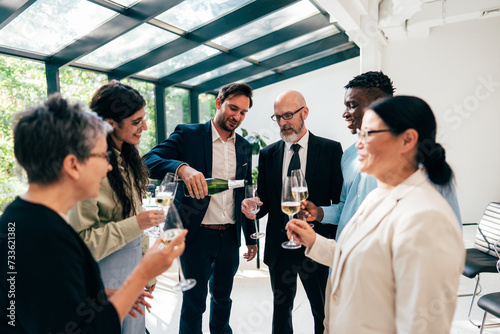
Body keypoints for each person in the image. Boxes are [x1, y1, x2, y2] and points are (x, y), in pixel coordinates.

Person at [0, 94, 186, 334]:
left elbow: (44, 302)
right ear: (72, 165)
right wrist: (143, 273)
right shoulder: (43, 236)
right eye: (102, 156)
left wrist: (96, 296)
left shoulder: (22, 219)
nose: (109, 166)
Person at [286, 96, 465, 333]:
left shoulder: (427, 219)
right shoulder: (377, 196)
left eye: (368, 134)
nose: (358, 144)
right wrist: (314, 241)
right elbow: (360, 258)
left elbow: (421, 325)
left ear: (407, 140)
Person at [143, 82, 257, 333]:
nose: (237, 116)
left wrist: (250, 236)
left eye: (243, 112)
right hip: (196, 235)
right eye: (233, 108)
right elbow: (147, 160)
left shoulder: (244, 147)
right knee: (194, 303)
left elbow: (245, 192)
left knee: (223, 300)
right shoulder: (189, 135)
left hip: (229, 235)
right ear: (218, 103)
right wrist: (182, 168)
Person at [302, 71, 461, 238]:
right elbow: (348, 207)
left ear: (379, 104)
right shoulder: (349, 155)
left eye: (352, 105)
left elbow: (446, 235)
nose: (345, 113)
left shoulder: (414, 167)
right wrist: (319, 213)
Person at [242, 90, 343, 334]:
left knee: (323, 312)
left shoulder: (330, 150)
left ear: (304, 112)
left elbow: (340, 201)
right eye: (277, 117)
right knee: (281, 312)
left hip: (316, 244)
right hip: (281, 247)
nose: (282, 123)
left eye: (288, 115)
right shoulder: (268, 154)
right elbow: (265, 199)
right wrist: (254, 207)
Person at [68, 80, 163, 333]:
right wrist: (138, 223)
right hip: (103, 282)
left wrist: (147, 272)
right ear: (110, 124)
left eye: (144, 119)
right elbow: (81, 244)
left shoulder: (129, 159)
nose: (144, 127)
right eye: (135, 122)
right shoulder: (88, 171)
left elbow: (137, 221)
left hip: (131, 277)